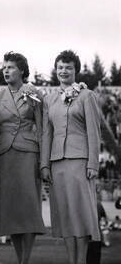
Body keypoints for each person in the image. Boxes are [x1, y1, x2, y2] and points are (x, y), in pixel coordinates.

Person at [41, 50, 101, 264]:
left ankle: (82, 261)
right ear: (55, 71)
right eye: (60, 67)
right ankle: (71, 261)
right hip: (57, 164)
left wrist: (93, 163)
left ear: (76, 70)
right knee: (65, 214)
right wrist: (44, 165)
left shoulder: (87, 96)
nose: (64, 71)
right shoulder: (49, 99)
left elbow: (94, 131)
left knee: (81, 214)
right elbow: (46, 133)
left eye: (68, 67)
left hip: (81, 162)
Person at [0, 52, 45, 264]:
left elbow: (42, 129)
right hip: (4, 156)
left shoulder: (34, 93)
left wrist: (44, 161)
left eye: (11, 67)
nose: (5, 70)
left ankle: (25, 260)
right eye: (4, 67)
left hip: (29, 154)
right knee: (11, 211)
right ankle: (18, 257)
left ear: (22, 70)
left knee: (29, 209)